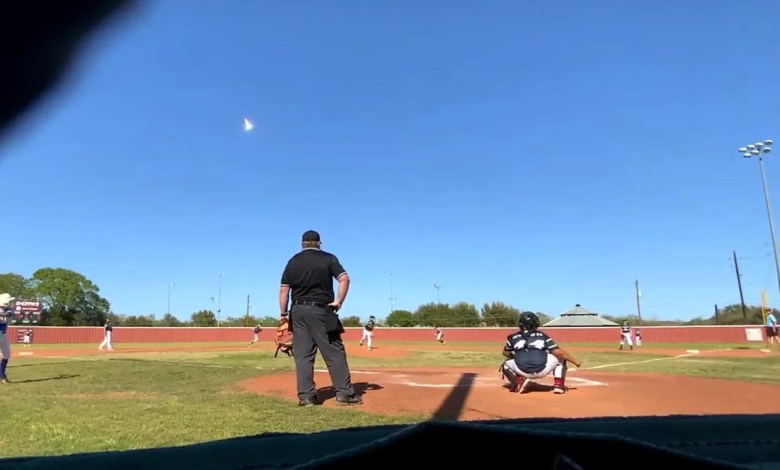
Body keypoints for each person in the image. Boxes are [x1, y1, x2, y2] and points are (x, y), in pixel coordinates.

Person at [279, 230, 362, 406]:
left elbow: (284, 290)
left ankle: (306, 396)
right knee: (334, 352)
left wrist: (283, 315)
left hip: (298, 311)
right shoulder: (328, 258)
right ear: (319, 243)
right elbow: (344, 279)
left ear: (302, 244)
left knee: (303, 355)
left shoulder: (293, 261)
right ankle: (345, 394)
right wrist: (338, 301)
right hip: (321, 310)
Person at [500, 311, 581, 394]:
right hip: (542, 370)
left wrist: (516, 357)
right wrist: (575, 361)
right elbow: (558, 352)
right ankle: (558, 386)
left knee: (505, 364)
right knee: (561, 356)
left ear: (520, 323)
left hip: (522, 370)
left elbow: (505, 353)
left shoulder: (513, 337)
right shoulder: (542, 335)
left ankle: (517, 382)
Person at [0, 293, 14, 383]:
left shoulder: (7, 310)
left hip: (3, 334)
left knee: (6, 355)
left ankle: (2, 375)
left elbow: (6, 314)